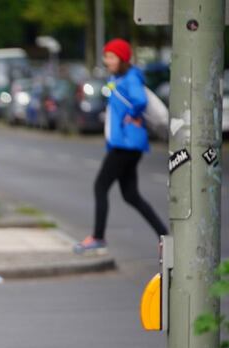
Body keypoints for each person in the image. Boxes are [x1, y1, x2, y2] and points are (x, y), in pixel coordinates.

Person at [74, 38, 168, 254]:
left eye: (111, 56)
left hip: (125, 144)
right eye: (106, 56)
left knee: (100, 186)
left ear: (123, 59)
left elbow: (140, 101)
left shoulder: (130, 78)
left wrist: (132, 116)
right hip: (127, 144)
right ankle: (165, 235)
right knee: (131, 195)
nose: (107, 60)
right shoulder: (119, 78)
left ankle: (98, 237)